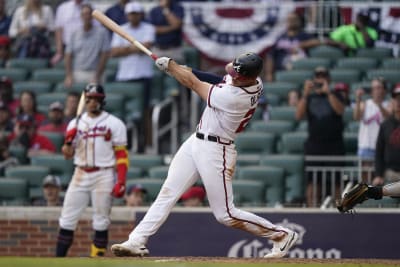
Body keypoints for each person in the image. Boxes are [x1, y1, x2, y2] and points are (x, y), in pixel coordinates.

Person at [110, 52, 299, 258]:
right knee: (168, 191)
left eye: (238, 74)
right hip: (197, 141)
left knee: (225, 215)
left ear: (247, 77)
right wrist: (180, 68)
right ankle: (137, 240)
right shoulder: (252, 80)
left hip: (217, 150)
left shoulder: (234, 98)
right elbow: (217, 78)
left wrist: (173, 68)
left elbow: (193, 84)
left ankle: (281, 234)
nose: (233, 76)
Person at [55, 83, 128, 258]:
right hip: (80, 172)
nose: (92, 102)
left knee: (101, 221)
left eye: (96, 99)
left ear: (102, 101)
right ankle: (58, 260)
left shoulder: (114, 123)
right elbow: (67, 154)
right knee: (67, 219)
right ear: (85, 100)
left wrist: (121, 180)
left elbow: (122, 155)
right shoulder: (75, 123)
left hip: (104, 174)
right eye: (89, 99)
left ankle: (96, 260)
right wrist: (67, 144)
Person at [295, 66, 345, 207]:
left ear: (328, 79)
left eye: (323, 76)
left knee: (337, 181)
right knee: (312, 181)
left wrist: (328, 93)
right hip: (314, 144)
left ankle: (339, 210)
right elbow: (298, 116)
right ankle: (312, 210)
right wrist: (305, 94)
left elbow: (340, 111)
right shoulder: (309, 97)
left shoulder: (337, 94)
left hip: (335, 145)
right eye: (318, 76)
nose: (320, 79)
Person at [110, 1, 155, 152]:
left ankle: (147, 145)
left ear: (141, 14)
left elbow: (146, 47)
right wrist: (136, 47)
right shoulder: (121, 29)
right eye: (131, 14)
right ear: (127, 15)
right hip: (124, 77)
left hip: (143, 76)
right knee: (121, 112)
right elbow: (114, 52)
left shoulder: (149, 28)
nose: (133, 17)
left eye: (136, 14)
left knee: (145, 112)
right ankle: (120, 144)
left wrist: (127, 49)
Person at [264, 11, 321, 82]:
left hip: (299, 70)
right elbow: (270, 56)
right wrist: (269, 74)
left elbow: (318, 41)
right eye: (289, 19)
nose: (291, 21)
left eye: (294, 19)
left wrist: (302, 45)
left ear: (299, 21)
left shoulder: (304, 36)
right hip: (282, 71)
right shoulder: (279, 37)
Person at [64, 3, 110, 88]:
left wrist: (97, 76)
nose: (86, 17)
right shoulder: (75, 33)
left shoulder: (102, 32)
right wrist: (69, 76)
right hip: (78, 72)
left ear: (92, 16)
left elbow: (104, 55)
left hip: (95, 72)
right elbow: (68, 55)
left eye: (88, 14)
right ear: (81, 16)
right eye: (84, 14)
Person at [353, 77, 391, 172]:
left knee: (381, 177)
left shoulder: (389, 104)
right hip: (366, 146)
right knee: (365, 179)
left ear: (384, 90)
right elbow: (356, 117)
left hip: (383, 147)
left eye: (379, 87)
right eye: (374, 88)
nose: (376, 90)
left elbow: (389, 117)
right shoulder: (365, 104)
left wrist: (379, 105)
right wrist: (358, 99)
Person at [371, 83, 400, 186]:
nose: (398, 102)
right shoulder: (385, 125)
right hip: (390, 173)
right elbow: (379, 151)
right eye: (396, 99)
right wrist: (378, 175)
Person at [51, 0, 86, 66]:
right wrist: (59, 52)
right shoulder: (62, 8)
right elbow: (59, 30)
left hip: (85, 47)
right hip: (66, 46)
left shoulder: (93, 8)